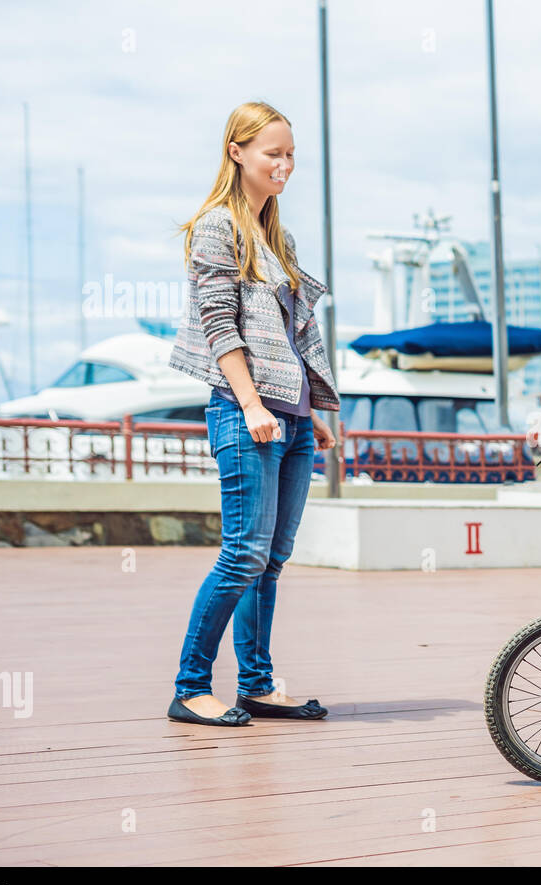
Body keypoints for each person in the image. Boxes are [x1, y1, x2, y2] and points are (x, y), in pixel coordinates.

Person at [165, 102, 339, 726]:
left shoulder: (278, 238)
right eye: (273, 153)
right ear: (237, 152)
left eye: (291, 153)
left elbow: (290, 336)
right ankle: (190, 687)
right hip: (246, 416)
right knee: (242, 554)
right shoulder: (217, 226)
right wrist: (250, 403)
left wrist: (309, 410)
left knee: (271, 558)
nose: (285, 164)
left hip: (289, 422)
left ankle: (258, 684)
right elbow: (219, 324)